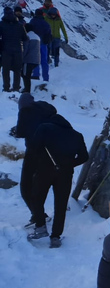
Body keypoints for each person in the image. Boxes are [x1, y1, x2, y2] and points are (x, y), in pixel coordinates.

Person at [24, 99, 88, 247]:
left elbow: (33, 148)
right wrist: (68, 163)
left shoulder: (45, 128)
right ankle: (55, 237)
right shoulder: (77, 135)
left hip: (44, 171)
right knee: (60, 205)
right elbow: (84, 157)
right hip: (65, 174)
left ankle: (40, 227)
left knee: (36, 199)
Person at [15, 93, 58, 231]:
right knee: (38, 188)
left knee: (26, 187)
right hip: (50, 153)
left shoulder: (25, 111)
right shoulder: (46, 109)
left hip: (33, 152)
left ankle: (38, 218)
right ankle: (39, 216)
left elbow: (20, 132)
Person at [0, 6, 28, 92]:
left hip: (5, 50)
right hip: (17, 50)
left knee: (6, 70)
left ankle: (6, 88)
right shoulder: (19, 25)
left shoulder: (1, 24)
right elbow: (25, 38)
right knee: (17, 70)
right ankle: (16, 88)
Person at [27, 8, 52, 81]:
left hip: (35, 43)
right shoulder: (45, 23)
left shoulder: (33, 21)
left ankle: (36, 75)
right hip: (44, 43)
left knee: (36, 59)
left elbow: (29, 30)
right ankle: (46, 77)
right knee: (44, 60)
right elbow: (49, 33)